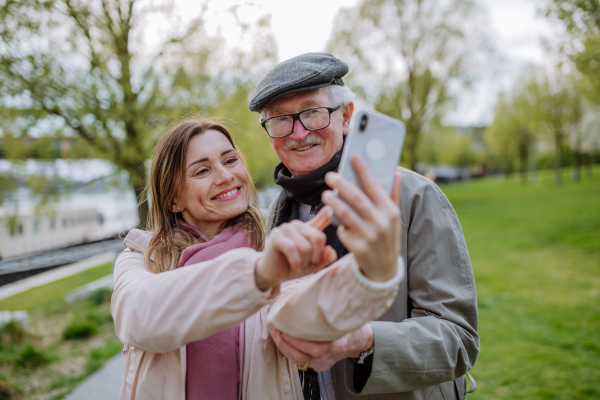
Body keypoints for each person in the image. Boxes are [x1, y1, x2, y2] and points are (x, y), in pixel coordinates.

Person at [110, 117, 405, 399]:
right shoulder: (140, 257)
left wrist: (373, 270)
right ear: (173, 198)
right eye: (202, 171)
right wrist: (260, 274)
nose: (226, 176)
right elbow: (141, 317)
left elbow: (307, 317)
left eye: (230, 160)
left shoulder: (270, 246)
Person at [249, 53, 479, 400]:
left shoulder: (414, 197)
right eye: (280, 120)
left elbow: (458, 340)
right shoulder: (274, 215)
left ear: (346, 117)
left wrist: (360, 342)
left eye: (312, 112)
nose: (298, 133)